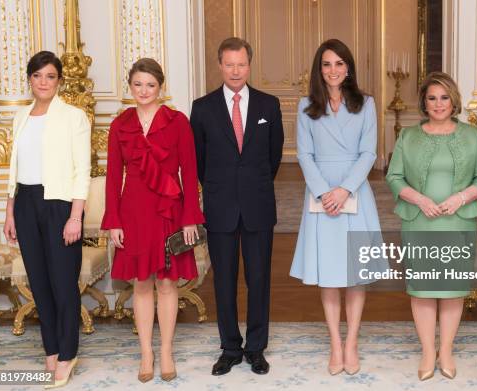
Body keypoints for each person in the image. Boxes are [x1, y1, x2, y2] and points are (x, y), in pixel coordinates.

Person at [101, 58, 204, 383]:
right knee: (141, 283)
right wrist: (113, 221)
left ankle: (168, 350)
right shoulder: (120, 124)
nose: (143, 91)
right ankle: (146, 351)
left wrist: (190, 218)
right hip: (132, 212)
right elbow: (113, 176)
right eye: (137, 84)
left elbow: (189, 173)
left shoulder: (177, 122)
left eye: (150, 85)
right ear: (129, 87)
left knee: (167, 283)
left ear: (161, 87)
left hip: (170, 211)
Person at [386, 72, 477, 381]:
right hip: (419, 221)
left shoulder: (472, 135)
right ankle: (427, 351)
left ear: (454, 100)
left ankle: (445, 350)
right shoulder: (408, 136)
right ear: (424, 102)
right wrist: (420, 199)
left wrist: (460, 198)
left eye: (444, 97)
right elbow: (394, 177)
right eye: (432, 98)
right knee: (422, 290)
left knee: (451, 291)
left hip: (458, 221)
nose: (438, 103)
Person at [190, 37, 284, 376]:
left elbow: (274, 156)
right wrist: (221, 188)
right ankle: (230, 347)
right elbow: (198, 161)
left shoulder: (268, 105)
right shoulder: (202, 108)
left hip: (258, 205)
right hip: (220, 207)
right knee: (224, 281)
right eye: (229, 64)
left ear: (249, 65)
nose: (235, 70)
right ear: (219, 65)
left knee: (259, 279)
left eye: (241, 64)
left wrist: (251, 185)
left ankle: (256, 348)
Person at [289, 38, 383, 376]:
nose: (333, 70)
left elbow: (369, 153)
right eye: (327, 64)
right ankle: (335, 343)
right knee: (329, 275)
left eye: (339, 64)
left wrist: (344, 190)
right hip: (320, 195)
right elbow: (304, 154)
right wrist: (324, 193)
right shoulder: (304, 106)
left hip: (354, 191)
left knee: (356, 275)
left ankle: (353, 341)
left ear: (349, 68)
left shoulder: (366, 104)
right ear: (319, 69)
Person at [3, 50, 91, 389]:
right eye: (38, 76)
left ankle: (67, 354)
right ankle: (50, 349)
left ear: (58, 81)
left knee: (62, 284)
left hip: (58, 204)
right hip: (25, 203)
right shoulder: (21, 116)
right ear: (30, 79)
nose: (43, 82)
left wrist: (75, 217)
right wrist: (10, 211)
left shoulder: (74, 117)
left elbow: (82, 171)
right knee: (39, 283)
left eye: (50, 76)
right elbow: (15, 169)